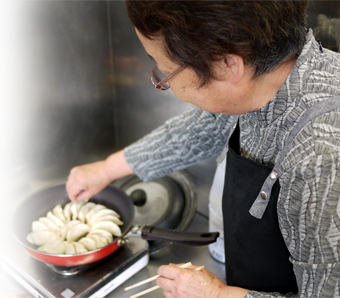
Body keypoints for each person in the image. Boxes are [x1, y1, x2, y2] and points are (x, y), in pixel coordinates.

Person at [66, 0, 340, 296]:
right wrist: (106, 169)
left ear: (227, 65)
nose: (161, 77)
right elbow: (206, 125)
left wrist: (218, 295)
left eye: (165, 71)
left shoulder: (321, 154)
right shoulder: (264, 75)